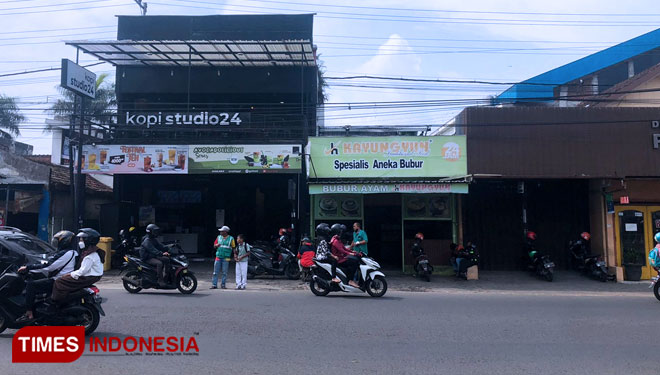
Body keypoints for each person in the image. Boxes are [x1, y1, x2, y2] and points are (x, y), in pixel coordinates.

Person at [16, 230, 78, 323]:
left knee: (31, 285)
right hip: (62, 278)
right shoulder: (71, 252)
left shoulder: (66, 253)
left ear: (64, 241)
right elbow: (50, 262)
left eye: (58, 241)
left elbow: (49, 266)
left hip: (58, 279)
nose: (56, 243)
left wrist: (28, 268)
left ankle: (29, 313)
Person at [51, 228, 104, 303]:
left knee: (59, 282)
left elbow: (82, 271)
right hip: (92, 276)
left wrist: (69, 274)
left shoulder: (90, 256)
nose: (80, 242)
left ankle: (58, 302)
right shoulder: (91, 252)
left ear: (88, 241)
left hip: (87, 277)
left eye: (82, 240)